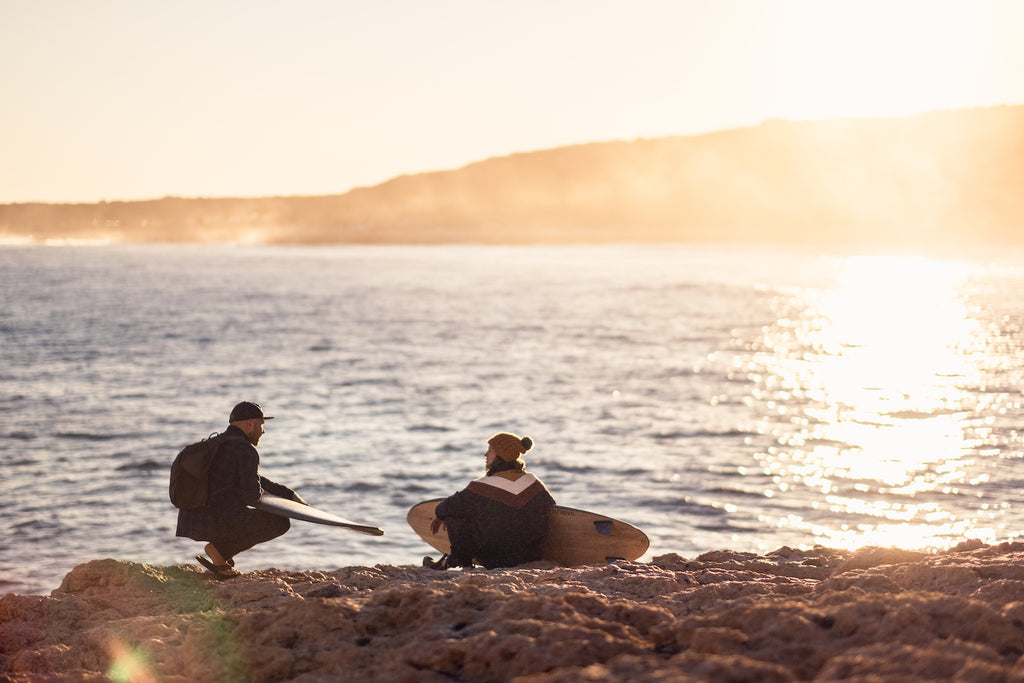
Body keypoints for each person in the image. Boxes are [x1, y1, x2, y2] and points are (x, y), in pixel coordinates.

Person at [176, 401, 306, 579]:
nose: (263, 431)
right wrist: (281, 505)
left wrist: (287, 495)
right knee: (280, 522)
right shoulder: (245, 450)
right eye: (261, 425)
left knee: (238, 512)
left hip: (192, 519)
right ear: (250, 424)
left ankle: (221, 556)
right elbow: (251, 496)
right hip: (213, 520)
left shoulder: (218, 443)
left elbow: (254, 479)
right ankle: (219, 551)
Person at [425, 432, 556, 570]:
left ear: (501, 455)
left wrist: (439, 513)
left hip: (494, 560)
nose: (485, 454)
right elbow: (551, 508)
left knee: (455, 513)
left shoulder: (481, 487)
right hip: (530, 557)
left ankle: (462, 564)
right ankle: (450, 561)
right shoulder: (533, 483)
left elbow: (451, 505)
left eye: (490, 450)